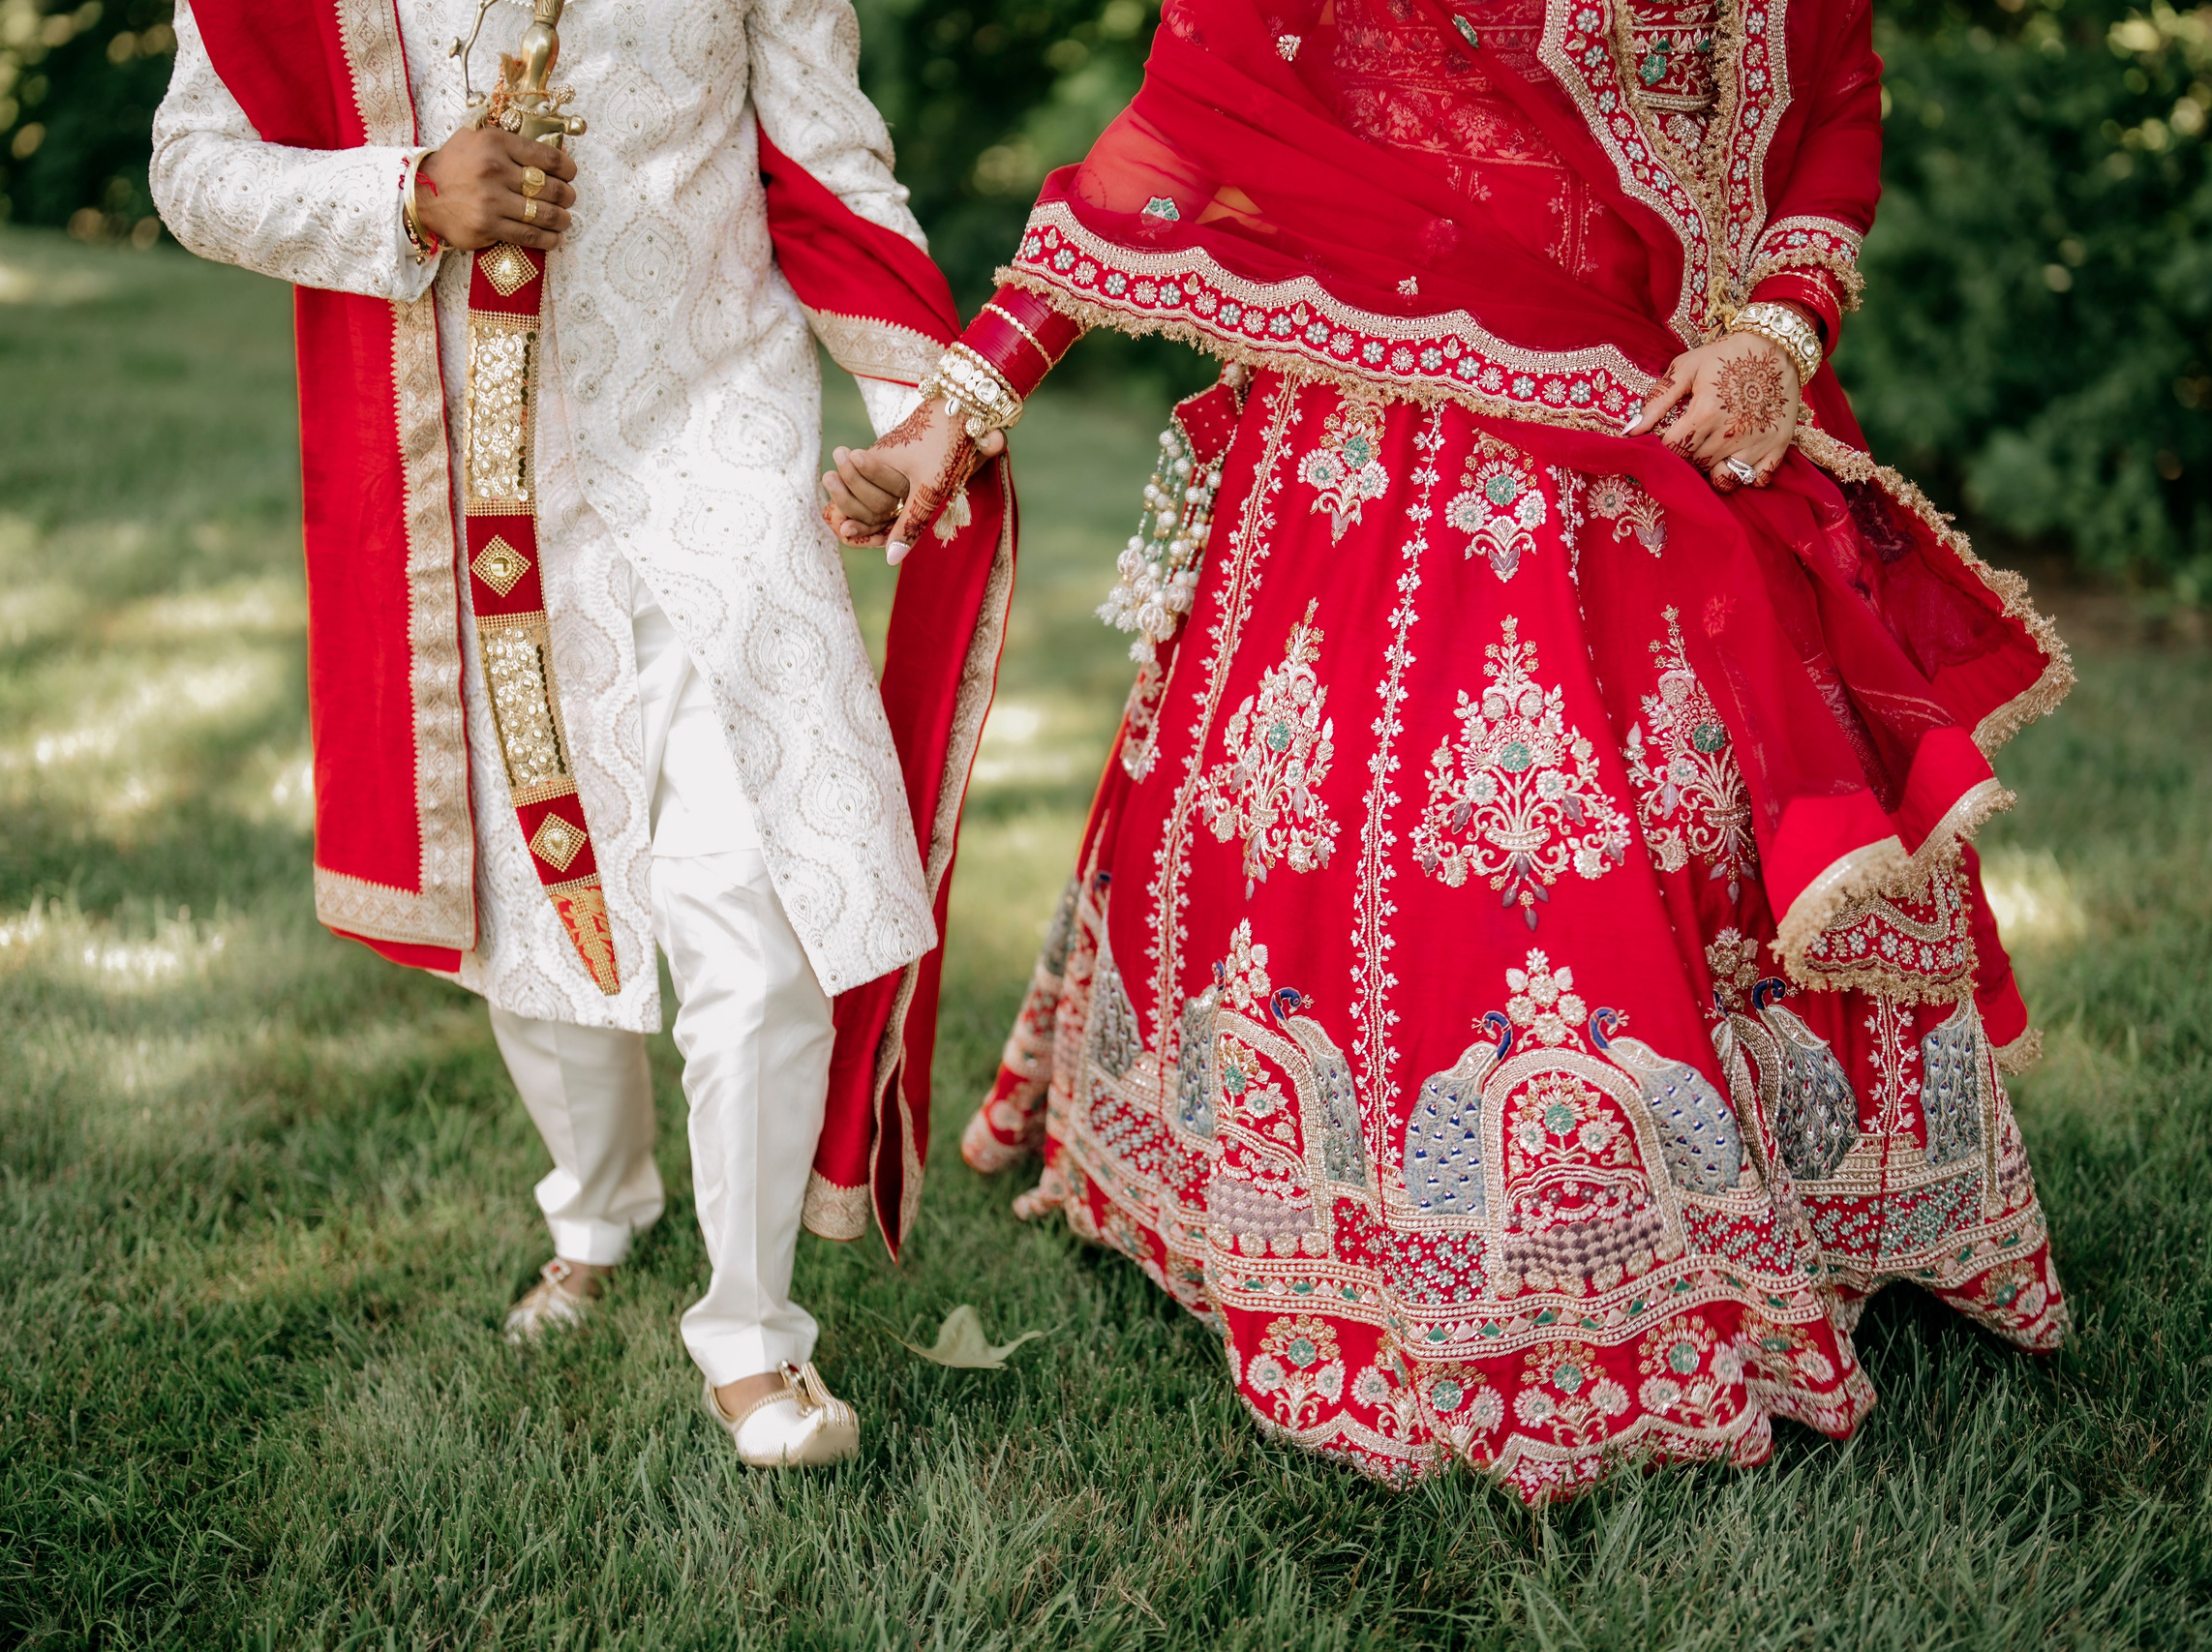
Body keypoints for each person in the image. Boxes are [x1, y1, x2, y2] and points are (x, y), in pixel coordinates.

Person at [826, 0, 2074, 1501]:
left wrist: (1779, 329)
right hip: (1380, 456)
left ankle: (1759, 1231)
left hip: (1670, 432)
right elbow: (1191, 126)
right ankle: (1394, 1256)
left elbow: (1829, 109)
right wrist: (960, 412)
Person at [151, 0, 1015, 1469]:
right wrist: (408, 191)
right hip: (470, 483)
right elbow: (193, 164)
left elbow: (831, 160)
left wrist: (902, 411)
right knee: (541, 911)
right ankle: (598, 1211)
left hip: (718, 442)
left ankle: (752, 1337)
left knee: (754, 899)